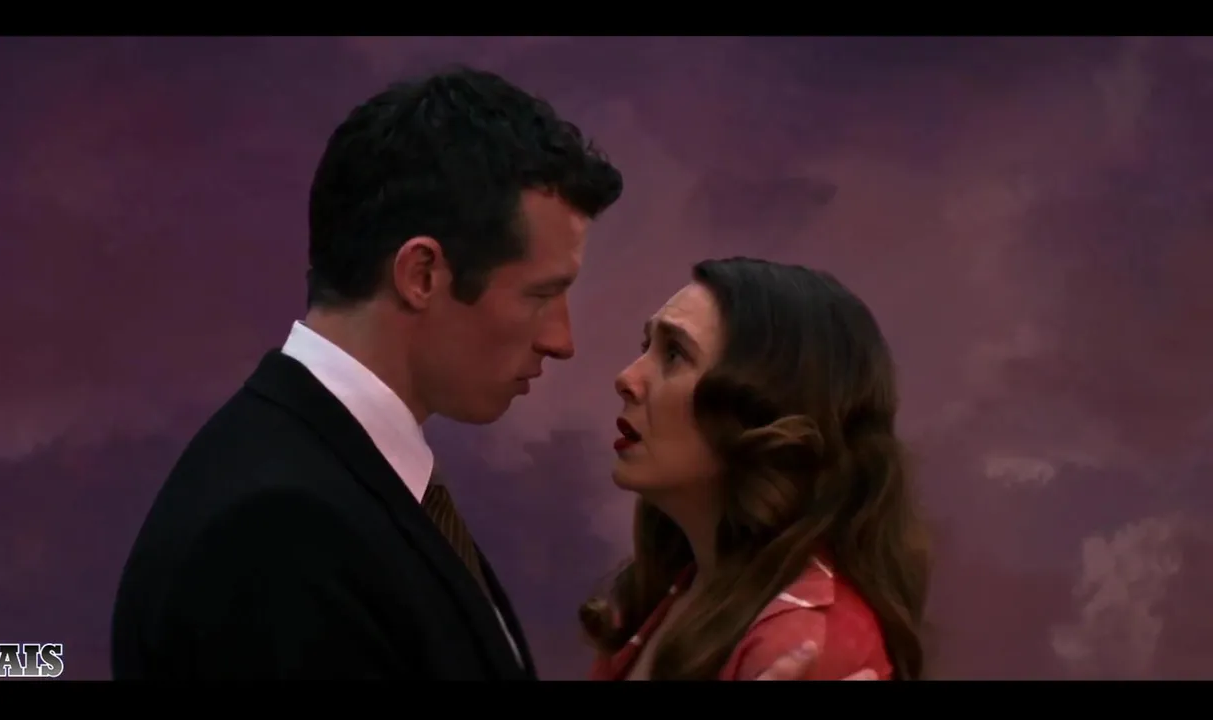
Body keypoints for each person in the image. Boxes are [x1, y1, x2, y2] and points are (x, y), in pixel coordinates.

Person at [110, 65, 851, 681]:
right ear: (423, 275)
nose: (563, 341)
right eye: (540, 295)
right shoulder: (278, 530)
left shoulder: (337, 476)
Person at [582, 258, 931, 681]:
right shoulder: (675, 590)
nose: (626, 377)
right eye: (646, 347)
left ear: (765, 409)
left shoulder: (806, 642)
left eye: (674, 353)